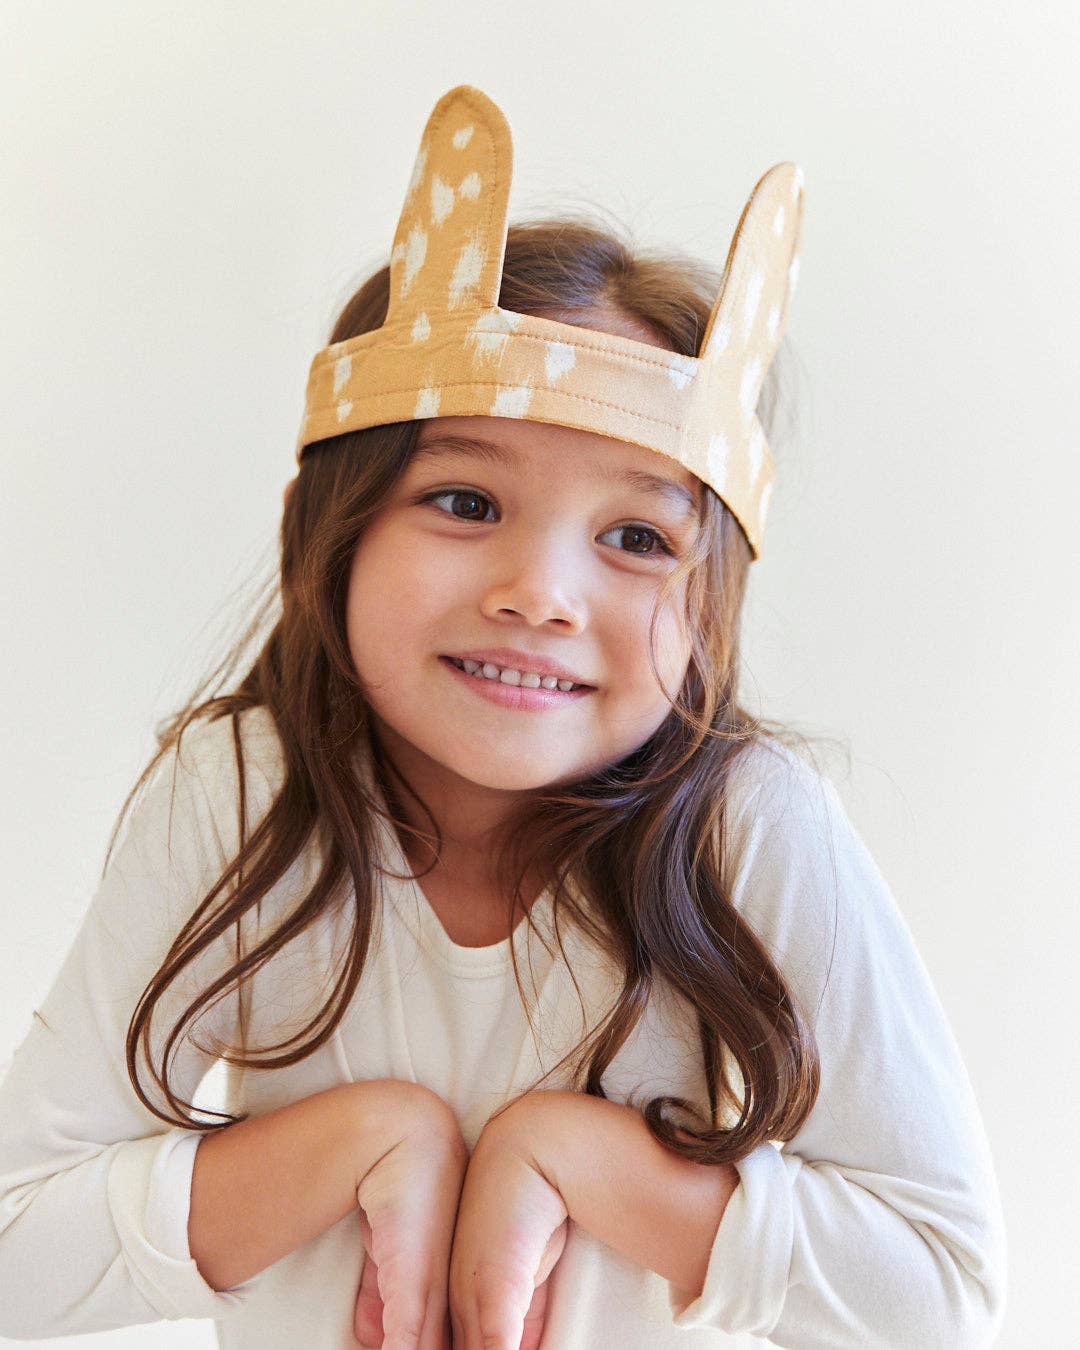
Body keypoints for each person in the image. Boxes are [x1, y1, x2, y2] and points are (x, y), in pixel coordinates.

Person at [0, 84, 1006, 1350]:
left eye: (637, 538)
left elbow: (943, 1288)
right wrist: (366, 1141)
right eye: (467, 502)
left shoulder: (745, 827)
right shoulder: (243, 794)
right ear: (339, 526)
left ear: (708, 615)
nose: (539, 593)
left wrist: (569, 1158)